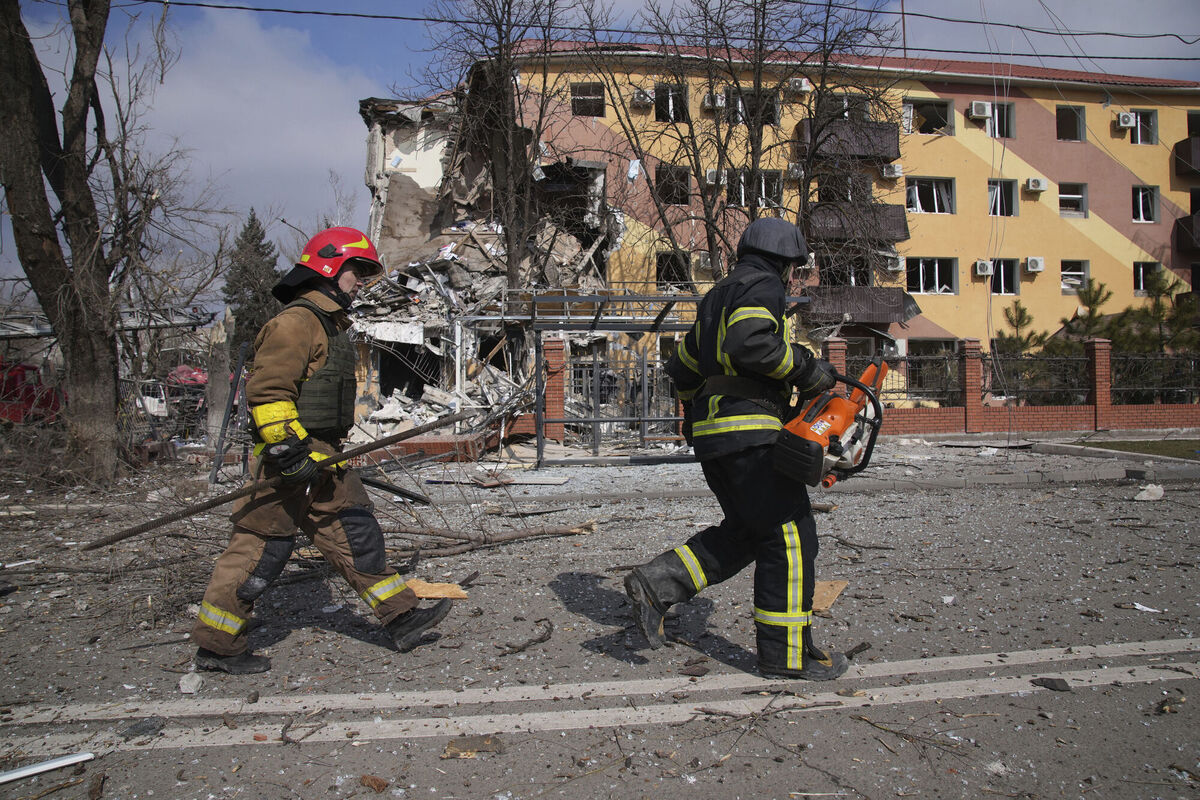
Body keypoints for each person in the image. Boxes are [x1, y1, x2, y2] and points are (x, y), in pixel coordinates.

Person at [191, 227, 453, 674]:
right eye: (357, 271)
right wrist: (290, 453)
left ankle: (401, 617)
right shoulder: (295, 323)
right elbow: (269, 393)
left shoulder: (328, 324)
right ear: (331, 268)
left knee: (355, 530)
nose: (361, 280)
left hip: (325, 455)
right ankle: (218, 645)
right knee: (261, 549)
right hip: (287, 457)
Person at [623, 217, 847, 680]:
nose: (790, 278)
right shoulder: (762, 285)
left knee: (750, 530)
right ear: (784, 263)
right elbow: (751, 345)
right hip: (750, 431)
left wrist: (692, 416)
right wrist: (808, 370)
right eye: (792, 269)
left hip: (717, 438)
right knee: (789, 536)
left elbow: (682, 368)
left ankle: (658, 583)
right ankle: (786, 659)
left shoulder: (716, 297)